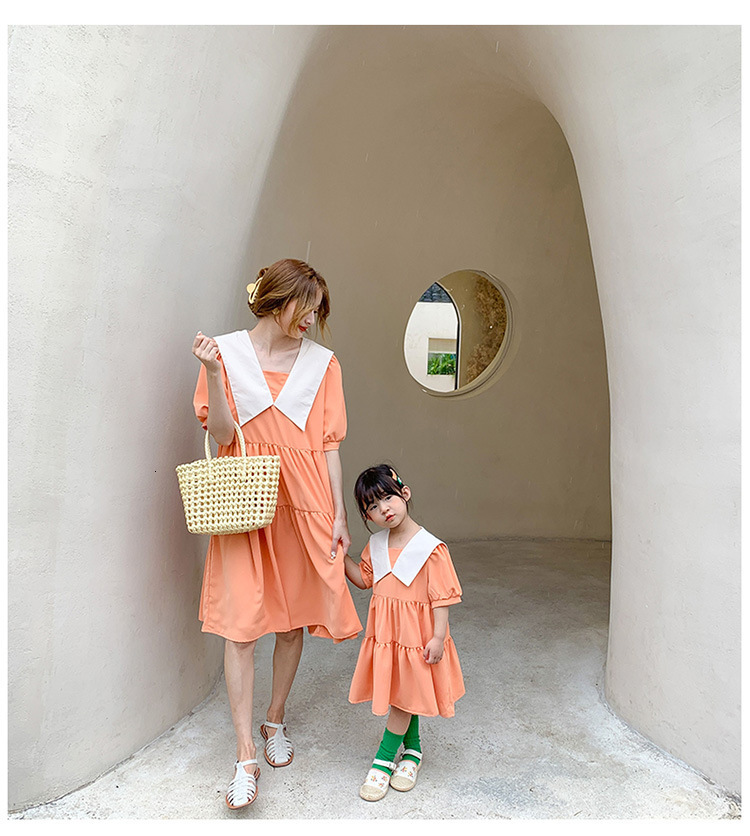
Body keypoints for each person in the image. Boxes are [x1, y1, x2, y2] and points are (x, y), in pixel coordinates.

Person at [191, 258, 362, 809]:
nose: (312, 320)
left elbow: (329, 446)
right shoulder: (226, 353)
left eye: (318, 312)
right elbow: (220, 432)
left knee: (292, 623)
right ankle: (244, 756)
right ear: (276, 300)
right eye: (305, 308)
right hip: (246, 501)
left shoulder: (323, 365)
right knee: (240, 629)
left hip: (305, 503)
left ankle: (274, 720)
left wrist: (338, 514)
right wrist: (215, 375)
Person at [344, 464, 465, 802]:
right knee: (402, 695)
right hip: (387, 636)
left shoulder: (431, 548)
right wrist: (340, 557)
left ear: (404, 494)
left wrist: (438, 637)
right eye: (372, 506)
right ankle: (413, 752)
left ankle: (382, 762)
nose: (383, 509)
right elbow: (364, 579)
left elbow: (442, 597)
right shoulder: (376, 543)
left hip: (417, 638)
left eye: (387, 498)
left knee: (402, 699)